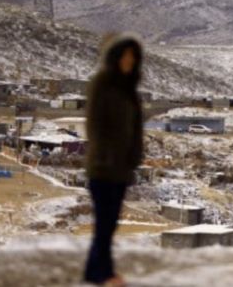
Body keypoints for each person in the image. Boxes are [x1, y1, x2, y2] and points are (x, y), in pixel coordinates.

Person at [84, 33, 144, 286]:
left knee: (110, 223)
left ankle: (94, 272)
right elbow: (94, 124)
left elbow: (136, 128)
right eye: (125, 55)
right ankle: (103, 274)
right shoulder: (102, 83)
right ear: (115, 57)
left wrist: (134, 156)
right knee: (105, 223)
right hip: (102, 167)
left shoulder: (129, 90)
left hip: (121, 169)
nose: (129, 60)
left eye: (133, 56)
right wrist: (106, 155)